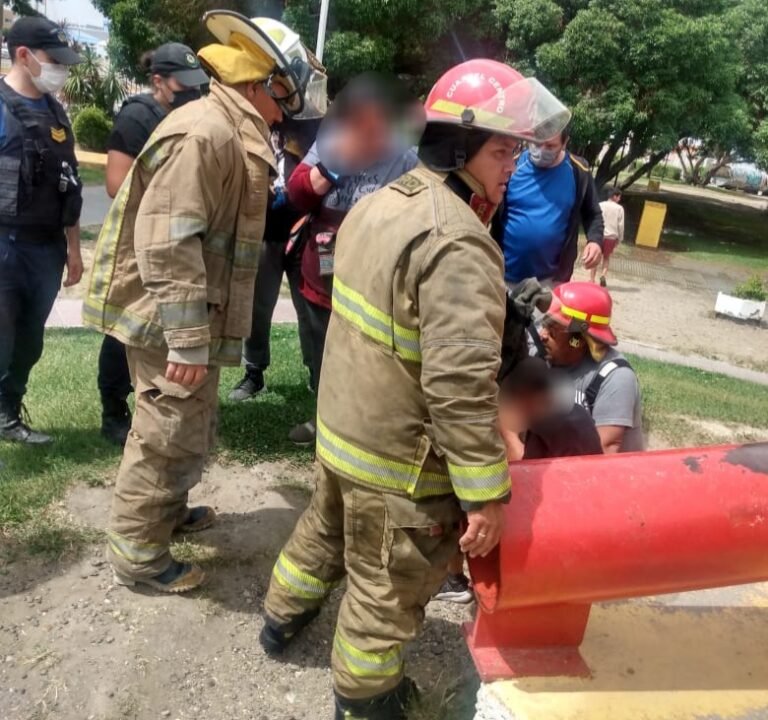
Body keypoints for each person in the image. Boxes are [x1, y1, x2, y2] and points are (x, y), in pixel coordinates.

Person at [260, 59, 571, 720]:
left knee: (322, 534)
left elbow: (399, 317)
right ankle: (365, 696)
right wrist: (484, 494)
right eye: (502, 151)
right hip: (396, 464)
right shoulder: (458, 242)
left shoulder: (382, 201)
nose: (513, 166)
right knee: (386, 588)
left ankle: (279, 620)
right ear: (459, 148)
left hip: (343, 432)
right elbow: (458, 389)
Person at [82, 11, 320, 593]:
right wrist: (187, 338)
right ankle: (139, 552)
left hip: (190, 315)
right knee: (165, 431)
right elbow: (168, 242)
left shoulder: (230, 129)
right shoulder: (206, 133)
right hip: (168, 320)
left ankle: (165, 511)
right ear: (261, 84)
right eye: (286, 93)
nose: (288, 108)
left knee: (186, 421)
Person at [284, 72, 422, 445]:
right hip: (322, 274)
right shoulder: (331, 144)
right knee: (321, 352)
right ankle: (322, 420)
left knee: (367, 357)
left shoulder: (406, 158)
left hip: (371, 281)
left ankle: (360, 427)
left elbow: (417, 212)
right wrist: (335, 164)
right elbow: (297, 193)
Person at [98, 42, 209, 446]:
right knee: (127, 327)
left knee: (162, 328)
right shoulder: (138, 117)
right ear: (157, 81)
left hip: (178, 240)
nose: (193, 92)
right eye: (184, 84)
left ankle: (156, 400)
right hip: (140, 242)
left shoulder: (190, 117)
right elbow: (116, 184)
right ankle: (113, 408)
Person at [435, 357, 602, 604]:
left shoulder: (551, 426)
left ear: (524, 397)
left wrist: (507, 431)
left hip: (566, 536)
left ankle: (457, 579)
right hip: (586, 518)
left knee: (477, 498)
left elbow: (522, 483)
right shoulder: (568, 412)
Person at [0, 17, 84, 445]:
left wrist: (74, 249)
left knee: (30, 341)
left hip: (47, 249)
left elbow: (69, 184)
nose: (61, 70)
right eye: (54, 60)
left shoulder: (55, 111)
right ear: (24, 55)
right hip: (5, 245)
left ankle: (8, 411)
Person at [228, 118, 321, 401]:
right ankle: (254, 372)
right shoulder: (250, 129)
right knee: (258, 307)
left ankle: (317, 372)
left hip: (302, 233)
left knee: (308, 309)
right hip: (264, 234)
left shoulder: (309, 128)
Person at [541, 281, 644, 454]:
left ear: (578, 340)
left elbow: (603, 453)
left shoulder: (615, 378)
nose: (542, 335)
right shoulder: (546, 356)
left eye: (552, 330)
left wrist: (507, 430)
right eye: (544, 325)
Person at [496, 127, 604, 288]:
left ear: (564, 143)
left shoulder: (578, 171)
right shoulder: (511, 165)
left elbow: (593, 213)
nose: (541, 150)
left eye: (550, 146)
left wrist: (595, 241)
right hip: (503, 275)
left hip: (551, 281)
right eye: (537, 143)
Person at [592, 187, 625, 287]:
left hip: (599, 235)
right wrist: (620, 238)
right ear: (615, 196)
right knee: (606, 258)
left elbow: (594, 219)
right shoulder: (619, 209)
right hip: (611, 237)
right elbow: (621, 225)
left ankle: (592, 280)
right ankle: (603, 275)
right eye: (619, 197)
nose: (619, 199)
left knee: (596, 258)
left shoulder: (600, 205)